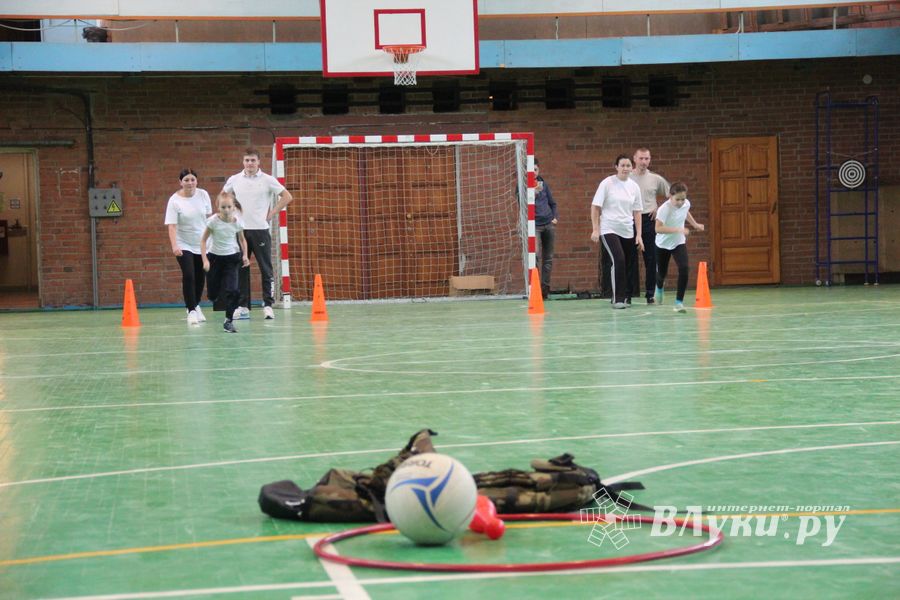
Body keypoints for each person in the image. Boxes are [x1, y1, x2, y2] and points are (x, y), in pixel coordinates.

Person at [223, 147, 293, 320]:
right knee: (241, 268)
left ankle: (268, 305)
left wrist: (272, 213)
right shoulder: (235, 179)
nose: (250, 163)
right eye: (247, 160)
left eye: (253, 160)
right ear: (243, 162)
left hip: (260, 230)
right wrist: (230, 214)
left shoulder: (268, 180)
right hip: (240, 231)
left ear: (258, 162)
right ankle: (243, 306)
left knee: (265, 268)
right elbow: (223, 197)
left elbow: (287, 196)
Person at [590, 155, 643, 309]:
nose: (625, 168)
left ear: (632, 168)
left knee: (628, 263)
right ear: (616, 167)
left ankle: (627, 295)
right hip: (609, 228)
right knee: (618, 259)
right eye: (623, 165)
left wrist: (639, 235)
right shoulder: (607, 184)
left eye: (628, 165)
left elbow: (638, 211)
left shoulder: (634, 187)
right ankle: (617, 298)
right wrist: (595, 229)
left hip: (627, 229)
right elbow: (595, 207)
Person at [164, 168, 212, 325]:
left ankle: (196, 304)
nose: (190, 183)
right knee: (189, 275)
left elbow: (208, 220)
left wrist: (212, 241)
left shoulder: (203, 195)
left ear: (196, 181)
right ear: (181, 182)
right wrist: (174, 246)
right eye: (186, 180)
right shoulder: (174, 200)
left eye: (192, 180)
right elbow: (171, 226)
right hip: (183, 244)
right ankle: (191, 310)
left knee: (200, 277)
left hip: (202, 243)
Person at [202, 191, 250, 332]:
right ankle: (212, 295)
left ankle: (228, 320)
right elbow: (203, 240)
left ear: (234, 207)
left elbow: (242, 239)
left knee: (233, 290)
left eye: (229, 207)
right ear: (218, 207)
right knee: (213, 293)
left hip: (231, 258)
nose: (227, 210)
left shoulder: (237, 222)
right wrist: (205, 260)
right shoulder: (213, 222)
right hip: (215, 258)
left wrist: (245, 255)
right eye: (223, 207)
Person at [654, 182, 704, 313]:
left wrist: (695, 224)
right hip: (662, 244)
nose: (681, 202)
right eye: (678, 199)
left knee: (684, 268)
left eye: (683, 199)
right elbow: (658, 228)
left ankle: (679, 302)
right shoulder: (664, 209)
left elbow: (686, 212)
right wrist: (678, 229)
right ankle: (659, 287)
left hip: (678, 242)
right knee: (662, 273)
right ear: (670, 196)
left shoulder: (686, 203)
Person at [630, 147, 670, 304]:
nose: (644, 162)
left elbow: (673, 195)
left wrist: (659, 208)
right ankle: (627, 294)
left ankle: (650, 294)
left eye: (647, 159)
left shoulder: (656, 179)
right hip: (629, 219)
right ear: (635, 159)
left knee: (651, 258)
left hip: (649, 220)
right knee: (629, 259)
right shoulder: (627, 178)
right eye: (641, 158)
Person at [534, 158, 559, 300]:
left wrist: (554, 217)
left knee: (548, 258)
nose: (534, 173)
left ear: (539, 170)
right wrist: (533, 192)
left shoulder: (544, 185)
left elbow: (553, 203)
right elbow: (521, 203)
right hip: (535, 226)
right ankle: (535, 288)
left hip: (548, 224)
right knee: (535, 256)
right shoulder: (523, 186)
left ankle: (545, 290)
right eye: (530, 171)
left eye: (536, 170)